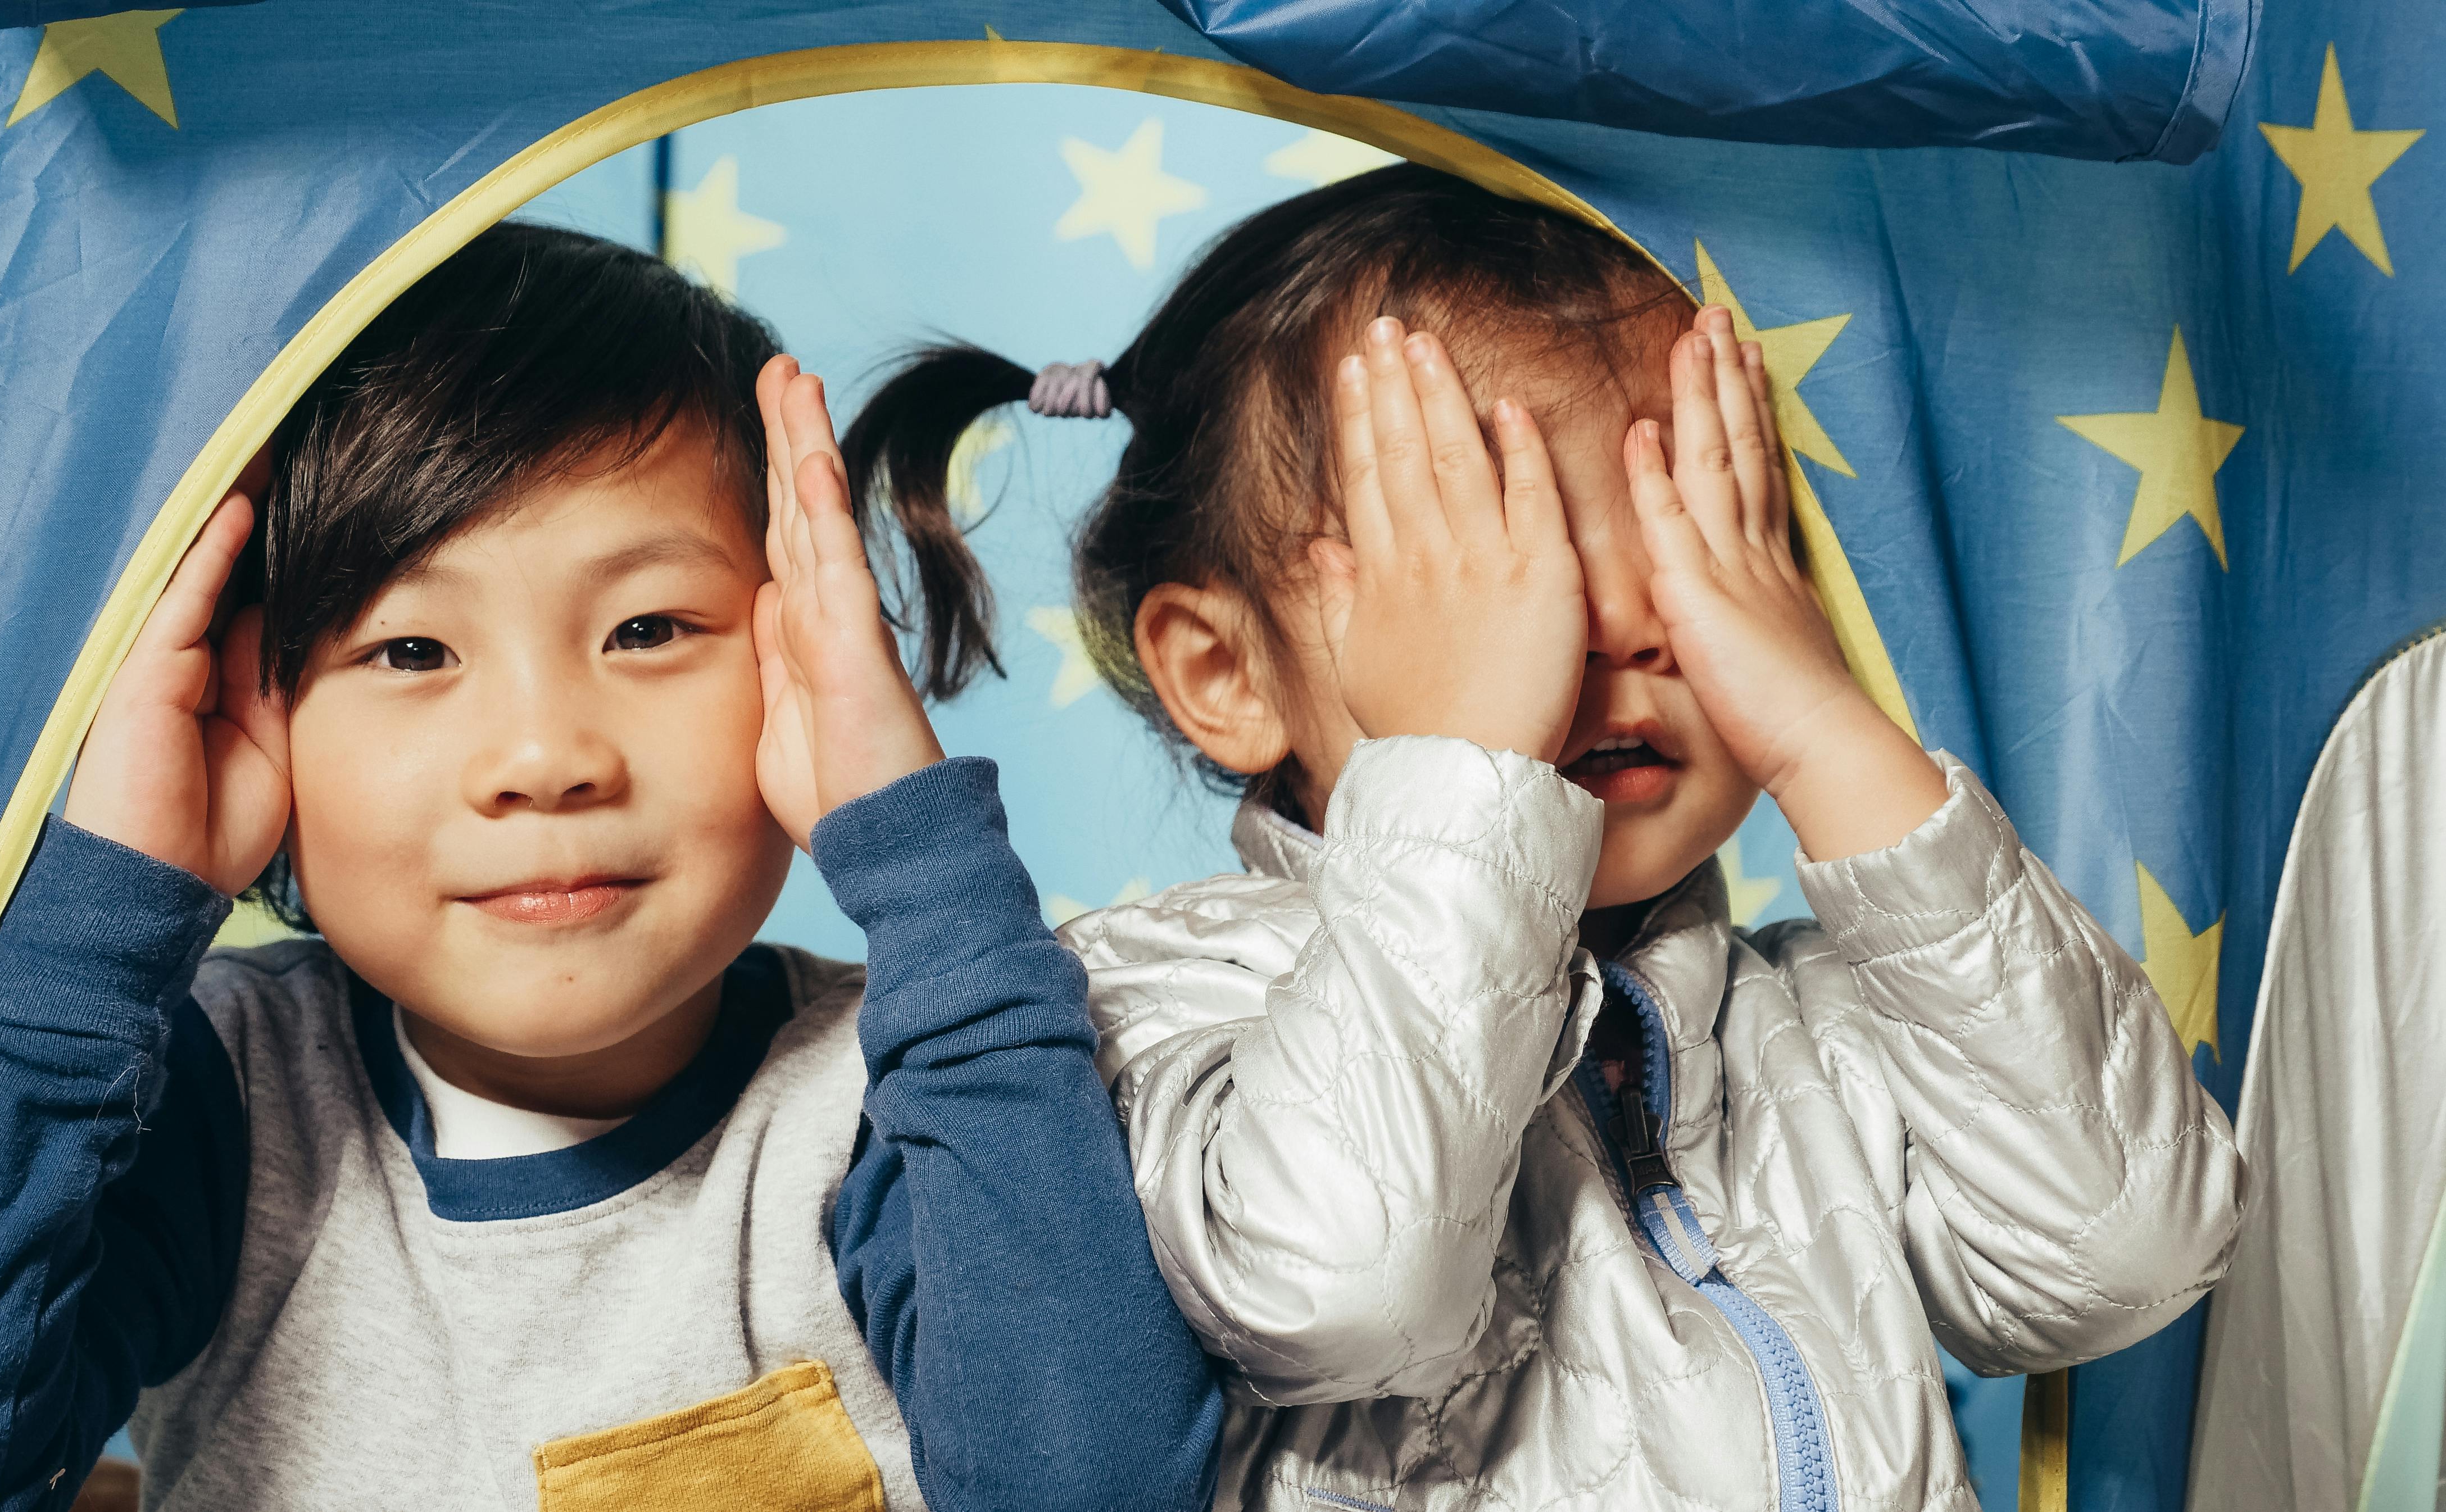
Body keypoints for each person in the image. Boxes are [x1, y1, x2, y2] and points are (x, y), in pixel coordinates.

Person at [842, 165, 2243, 1511]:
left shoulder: (1823, 1019)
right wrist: (1471, 768)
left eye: (1692, 536)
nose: (1629, 620)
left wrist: (1825, 727)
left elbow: (2126, 1245)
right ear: (1227, 671)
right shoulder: (1144, 1010)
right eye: (1504, 564)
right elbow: (1346, 1281)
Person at [0, 223, 1222, 1512]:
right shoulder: (215, 1098)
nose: (545, 754)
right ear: (253, 702)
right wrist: (98, 922)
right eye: (413, 649)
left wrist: (924, 859)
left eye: (651, 629)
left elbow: (1094, 1481)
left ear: (801, 657)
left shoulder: (904, 1094)